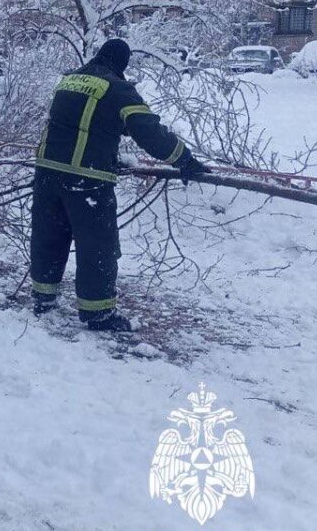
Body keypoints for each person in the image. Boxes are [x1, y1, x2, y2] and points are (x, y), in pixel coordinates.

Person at [29, 39, 210, 331]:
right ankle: (97, 314)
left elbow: (81, 123)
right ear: (121, 64)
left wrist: (110, 154)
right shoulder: (117, 89)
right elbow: (148, 130)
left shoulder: (69, 80)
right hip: (86, 180)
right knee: (97, 246)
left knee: (48, 238)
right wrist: (184, 159)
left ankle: (43, 298)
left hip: (47, 173)